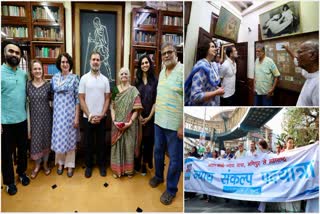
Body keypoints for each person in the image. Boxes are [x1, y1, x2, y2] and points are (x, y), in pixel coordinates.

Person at [149, 42, 183, 205]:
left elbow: (187, 101)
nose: (167, 55)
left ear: (176, 54)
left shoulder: (183, 71)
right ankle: (158, 176)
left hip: (175, 125)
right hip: (159, 122)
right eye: (164, 53)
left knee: (175, 159)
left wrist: (182, 125)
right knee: (157, 152)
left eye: (170, 52)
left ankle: (171, 190)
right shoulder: (162, 72)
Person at [1, 41, 30, 195]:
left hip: (22, 120)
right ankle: (9, 182)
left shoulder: (23, 74)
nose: (14, 55)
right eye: (11, 51)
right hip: (5, 122)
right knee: (6, 154)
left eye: (17, 53)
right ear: (5, 53)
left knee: (22, 149)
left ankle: (22, 172)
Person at [79, 51, 110, 178]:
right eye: (93, 59)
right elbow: (81, 98)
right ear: (90, 61)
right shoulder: (84, 78)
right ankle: (89, 166)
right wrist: (90, 115)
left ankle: (102, 165)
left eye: (98, 60)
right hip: (88, 118)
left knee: (101, 144)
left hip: (102, 118)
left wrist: (102, 114)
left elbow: (108, 98)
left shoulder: (105, 80)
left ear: (100, 62)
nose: (96, 62)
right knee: (88, 144)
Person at [51, 53, 80, 177]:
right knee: (59, 139)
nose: (65, 64)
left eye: (67, 62)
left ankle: (69, 165)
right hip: (58, 116)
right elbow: (52, 95)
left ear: (70, 64)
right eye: (63, 62)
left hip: (70, 115)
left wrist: (76, 117)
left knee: (70, 140)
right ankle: (60, 163)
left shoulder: (75, 78)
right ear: (59, 64)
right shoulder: (54, 78)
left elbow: (77, 99)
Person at [110, 67, 143, 179]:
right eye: (122, 74)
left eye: (126, 73)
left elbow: (137, 109)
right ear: (119, 76)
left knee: (128, 147)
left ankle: (129, 170)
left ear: (129, 76)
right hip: (117, 123)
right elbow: (112, 107)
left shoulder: (134, 90)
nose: (124, 75)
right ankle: (117, 170)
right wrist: (114, 120)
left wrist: (130, 122)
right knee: (117, 146)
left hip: (129, 124)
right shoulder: (115, 90)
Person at [27, 59, 52, 179]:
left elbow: (52, 102)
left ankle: (46, 164)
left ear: (42, 70)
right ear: (31, 71)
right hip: (34, 119)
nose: (37, 71)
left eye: (39, 69)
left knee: (46, 141)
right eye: (35, 69)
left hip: (47, 119)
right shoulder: (28, 85)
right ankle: (37, 166)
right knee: (36, 142)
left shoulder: (48, 85)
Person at [134, 55, 158, 176]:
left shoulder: (155, 80)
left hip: (151, 116)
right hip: (138, 116)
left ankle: (145, 163)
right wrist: (139, 116)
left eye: (146, 63)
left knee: (148, 142)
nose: (144, 65)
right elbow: (134, 101)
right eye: (142, 63)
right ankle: (138, 162)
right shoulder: (136, 81)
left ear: (150, 64)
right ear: (140, 66)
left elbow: (156, 101)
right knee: (139, 141)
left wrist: (149, 117)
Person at [185, 39, 224, 106]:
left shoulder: (212, 65)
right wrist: (216, 92)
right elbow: (195, 96)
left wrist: (216, 88)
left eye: (215, 46)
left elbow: (208, 84)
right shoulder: (201, 68)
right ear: (206, 49)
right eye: (212, 47)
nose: (216, 49)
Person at [283, 41, 319, 106]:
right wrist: (288, 50)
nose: (297, 56)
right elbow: (296, 60)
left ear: (313, 55)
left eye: (300, 52)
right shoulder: (309, 72)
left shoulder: (318, 85)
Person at [279, 137, 302, 212]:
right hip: (285, 178)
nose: (291, 144)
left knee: (295, 196)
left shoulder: (297, 152)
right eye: (289, 142)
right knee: (285, 196)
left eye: (292, 142)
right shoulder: (282, 154)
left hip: (294, 178)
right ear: (286, 143)